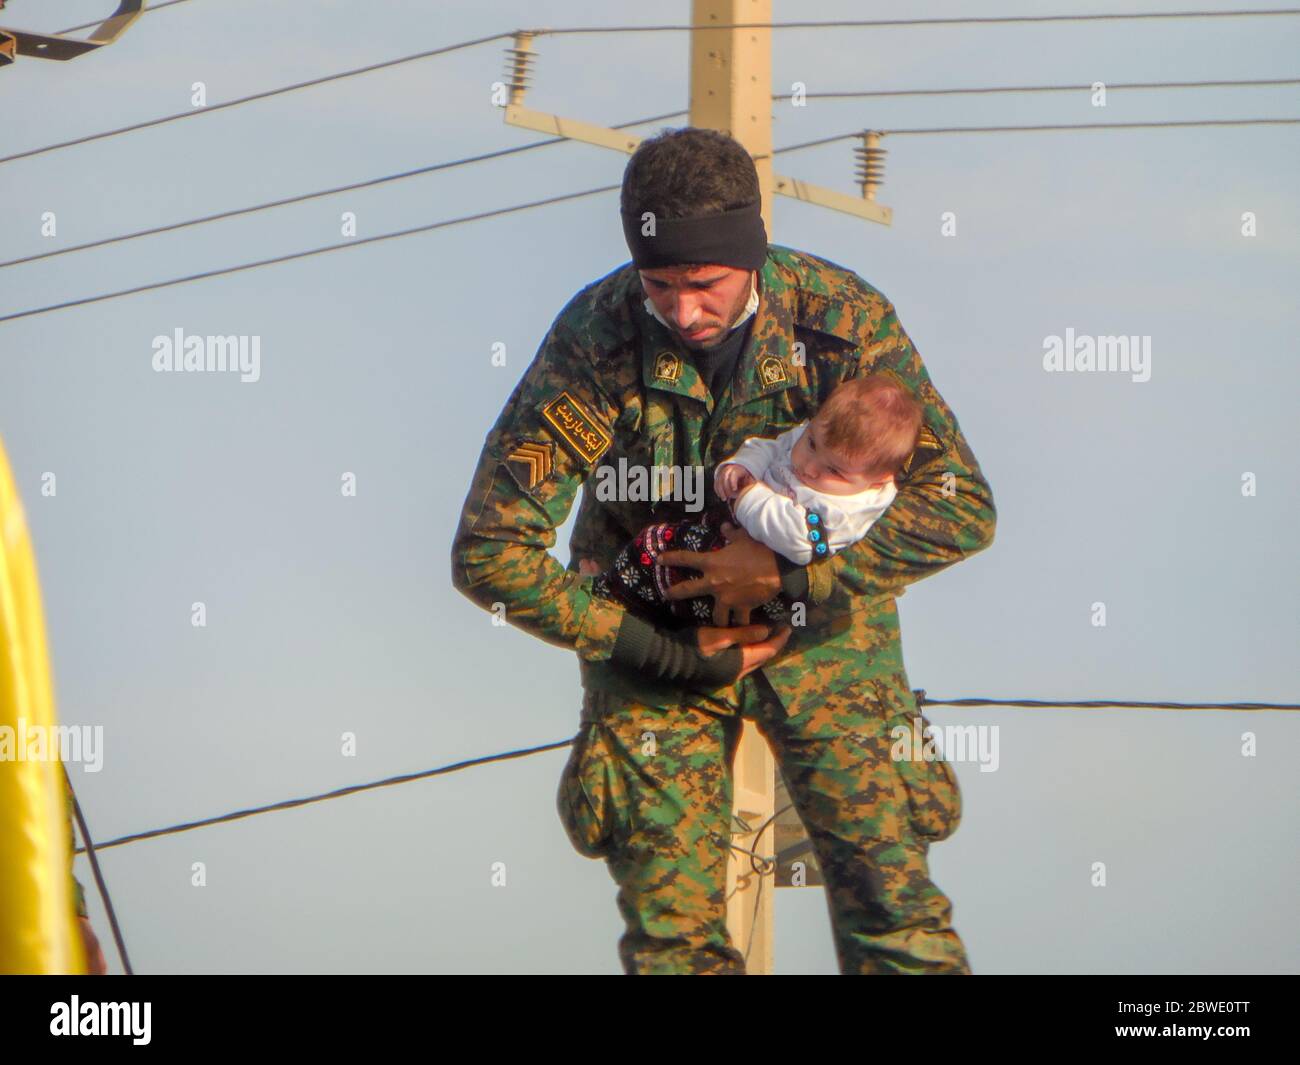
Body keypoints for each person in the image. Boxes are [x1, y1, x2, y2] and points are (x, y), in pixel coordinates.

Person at [450, 126, 997, 974]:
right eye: (659, 283)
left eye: (703, 283)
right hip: (653, 643)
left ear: (752, 253)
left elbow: (960, 507)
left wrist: (794, 575)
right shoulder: (595, 343)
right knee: (674, 943)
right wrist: (650, 649)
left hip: (827, 645)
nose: (682, 311)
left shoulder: (841, 320)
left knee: (895, 914)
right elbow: (489, 552)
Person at [589, 372, 921, 629]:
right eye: (811, 445)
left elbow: (799, 541)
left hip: (767, 590)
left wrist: (749, 494)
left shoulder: (848, 509)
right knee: (662, 559)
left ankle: (606, 599)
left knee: (656, 551)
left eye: (832, 470)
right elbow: (772, 447)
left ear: (878, 480)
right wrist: (744, 465)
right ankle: (613, 595)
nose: (808, 466)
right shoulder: (819, 441)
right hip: (730, 534)